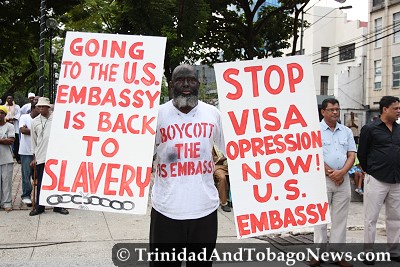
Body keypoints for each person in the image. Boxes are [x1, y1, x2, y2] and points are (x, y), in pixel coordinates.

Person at [151, 64, 224, 266]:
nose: (185, 85)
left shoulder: (213, 114)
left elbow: (236, 151)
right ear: (171, 84)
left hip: (204, 210)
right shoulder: (156, 115)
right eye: (180, 80)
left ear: (198, 84)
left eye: (191, 80)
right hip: (166, 209)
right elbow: (140, 156)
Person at [310, 98, 356, 267]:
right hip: (322, 179)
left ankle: (337, 255)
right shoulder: (314, 131)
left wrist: (342, 172)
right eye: (332, 109)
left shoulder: (346, 131)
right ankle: (317, 255)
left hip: (343, 180)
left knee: (340, 219)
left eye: (337, 109)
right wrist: (332, 173)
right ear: (323, 112)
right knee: (320, 219)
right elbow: (313, 155)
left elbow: (352, 154)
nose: (336, 112)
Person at [358, 96, 400, 265]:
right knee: (371, 218)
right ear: (384, 109)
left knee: (396, 217)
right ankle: (368, 252)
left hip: (397, 180)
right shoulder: (370, 128)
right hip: (376, 178)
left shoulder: (399, 129)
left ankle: (394, 251)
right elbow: (362, 153)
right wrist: (370, 170)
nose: (398, 111)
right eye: (395, 108)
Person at [29, 97, 69, 216]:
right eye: (39, 107)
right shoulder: (35, 121)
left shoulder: (57, 118)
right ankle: (40, 206)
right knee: (41, 182)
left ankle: (58, 205)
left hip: (56, 154)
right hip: (41, 154)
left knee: (57, 181)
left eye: (43, 107)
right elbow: (33, 140)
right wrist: (34, 156)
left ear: (48, 107)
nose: (41, 109)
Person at [18, 103, 40, 206]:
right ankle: (26, 195)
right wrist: (36, 131)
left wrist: (30, 130)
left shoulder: (41, 119)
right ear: (32, 109)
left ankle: (39, 197)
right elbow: (23, 130)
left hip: (39, 151)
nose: (40, 110)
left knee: (38, 174)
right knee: (26, 174)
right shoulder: (24, 117)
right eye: (37, 107)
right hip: (26, 151)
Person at [0, 106, 15, 212]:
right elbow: (5, 140)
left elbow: (10, 140)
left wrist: (4, 140)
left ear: (5, 115)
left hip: (6, 157)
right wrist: (3, 139)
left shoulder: (9, 126)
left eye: (2, 112)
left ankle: (7, 203)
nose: (0, 114)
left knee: (6, 181)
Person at [212, 145, 231, 212]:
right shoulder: (211, 144)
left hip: (229, 165)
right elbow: (213, 160)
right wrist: (224, 158)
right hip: (218, 166)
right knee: (222, 177)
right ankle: (224, 203)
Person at [3, 95, 21, 164]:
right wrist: (7, 120)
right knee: (6, 141)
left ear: (13, 99)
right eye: (8, 98)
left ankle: (17, 158)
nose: (9, 99)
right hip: (6, 125)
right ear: (6, 99)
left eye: (11, 98)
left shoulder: (17, 106)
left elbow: (19, 114)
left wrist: (13, 119)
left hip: (15, 125)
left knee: (16, 143)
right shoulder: (4, 106)